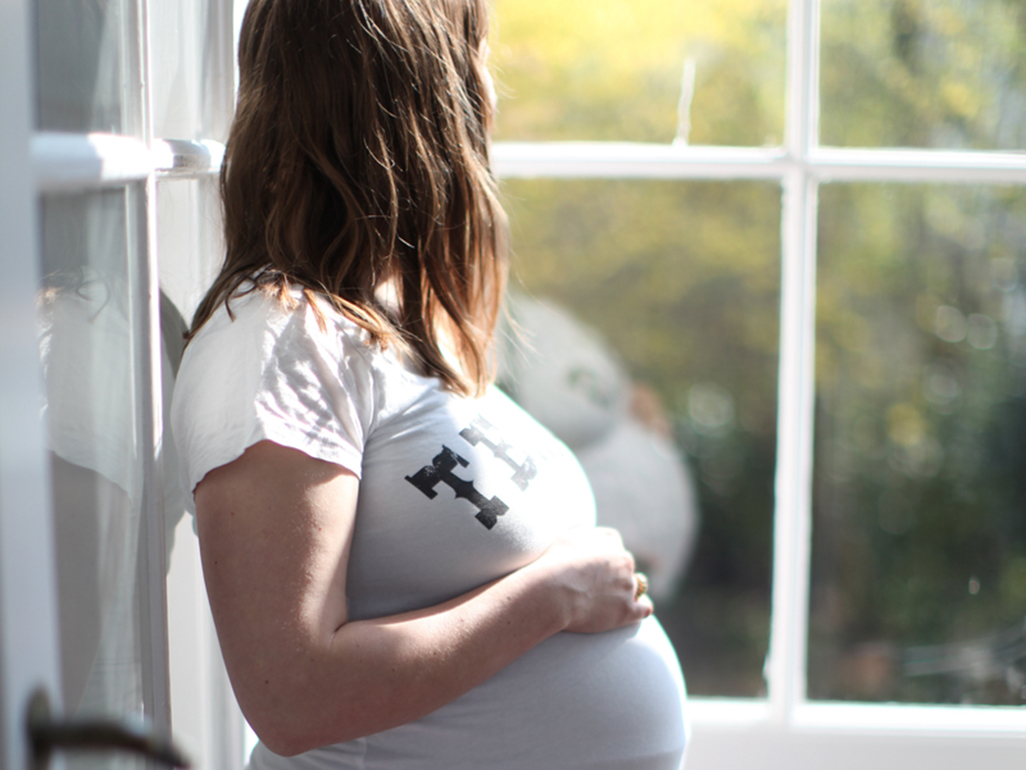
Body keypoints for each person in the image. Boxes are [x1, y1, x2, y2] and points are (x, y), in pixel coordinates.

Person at [170, 1, 689, 768]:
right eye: (472, 53)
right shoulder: (277, 341)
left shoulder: (387, 322)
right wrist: (554, 599)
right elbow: (291, 695)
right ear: (422, 93)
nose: (486, 83)